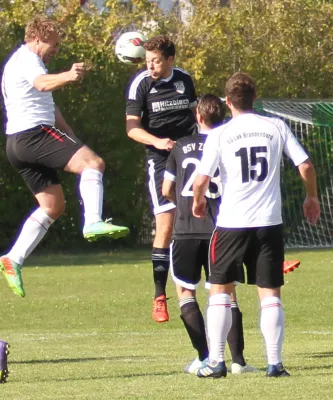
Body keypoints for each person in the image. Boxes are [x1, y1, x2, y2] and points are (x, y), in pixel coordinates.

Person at [192, 72, 320, 378]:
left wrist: (198, 200)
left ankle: (216, 361)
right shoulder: (275, 126)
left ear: (227, 102)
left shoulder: (220, 133)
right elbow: (305, 164)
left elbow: (201, 179)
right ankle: (275, 363)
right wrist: (311, 197)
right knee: (270, 292)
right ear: (254, 97)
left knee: (220, 290)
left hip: (232, 223)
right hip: (269, 222)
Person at [0, 16, 129, 298]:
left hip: (18, 144)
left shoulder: (23, 63)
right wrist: (69, 76)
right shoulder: (27, 60)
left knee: (53, 206)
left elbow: (49, 105)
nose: (56, 50)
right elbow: (43, 84)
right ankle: (93, 221)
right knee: (94, 165)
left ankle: (14, 258)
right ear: (37, 39)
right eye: (54, 44)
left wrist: (73, 139)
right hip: (35, 135)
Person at [162, 94, 257, 374]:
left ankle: (205, 357)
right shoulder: (228, 142)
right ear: (222, 117)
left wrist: (181, 205)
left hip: (186, 230)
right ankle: (238, 360)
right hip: (221, 230)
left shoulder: (180, 146)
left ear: (198, 117)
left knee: (185, 291)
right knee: (227, 294)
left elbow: (167, 188)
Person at [126, 35, 198, 323]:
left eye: (156, 60)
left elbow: (196, 116)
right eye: (147, 60)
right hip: (160, 160)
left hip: (190, 156)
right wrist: (157, 142)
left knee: (210, 215)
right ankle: (159, 296)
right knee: (165, 226)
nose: (151, 66)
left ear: (170, 60)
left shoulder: (184, 79)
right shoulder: (141, 84)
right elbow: (132, 129)